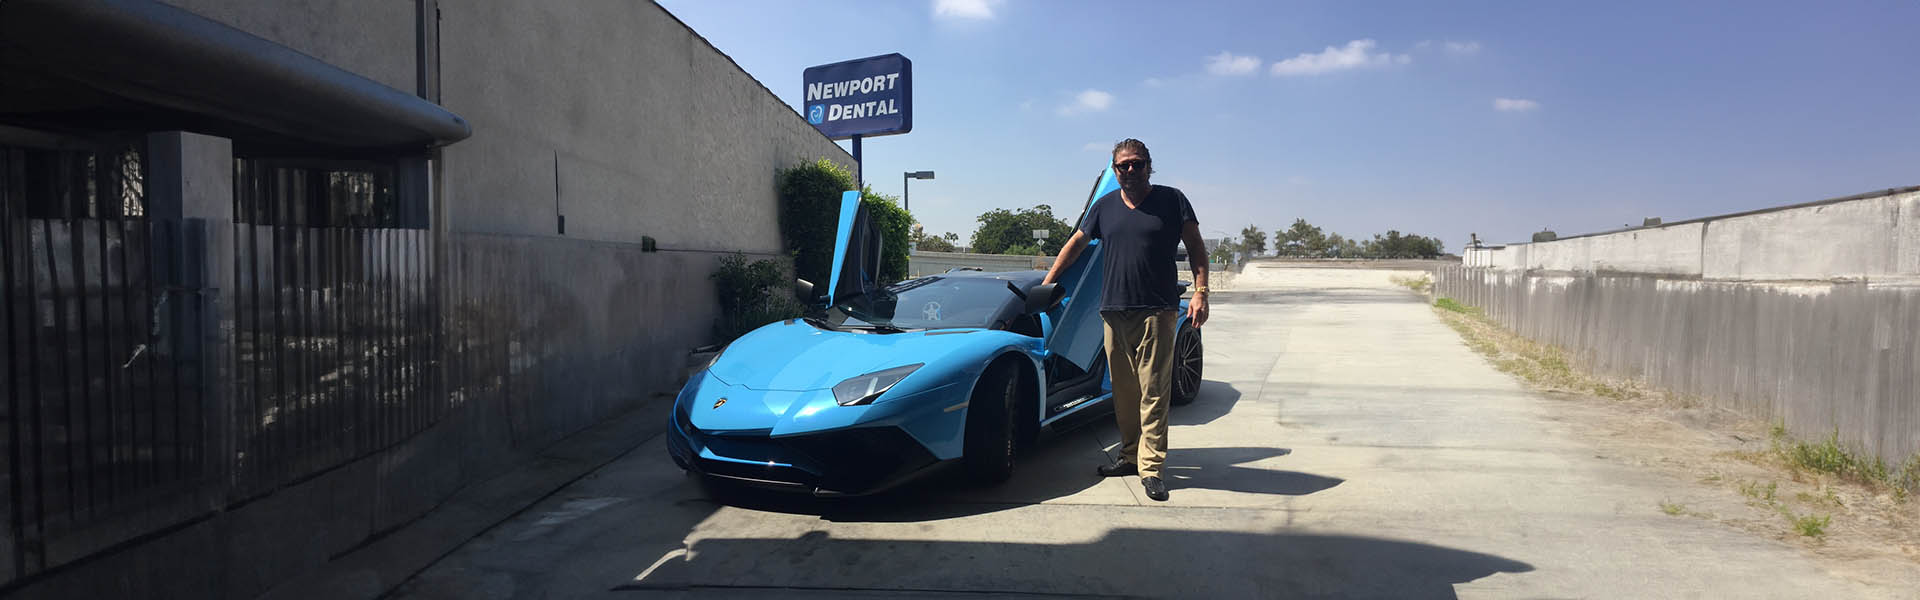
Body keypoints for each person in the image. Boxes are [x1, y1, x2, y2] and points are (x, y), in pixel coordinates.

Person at [1042, 138, 1208, 502]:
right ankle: (1130, 455)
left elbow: (1196, 246)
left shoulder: (1172, 200)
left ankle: (1151, 468)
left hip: (1158, 310)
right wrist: (1049, 280)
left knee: (1154, 391)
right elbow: (1077, 243)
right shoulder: (1104, 206)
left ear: (1150, 166)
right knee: (1123, 392)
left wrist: (1201, 291)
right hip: (1113, 310)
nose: (1130, 171)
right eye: (1123, 166)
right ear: (1113, 170)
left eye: (1137, 164)